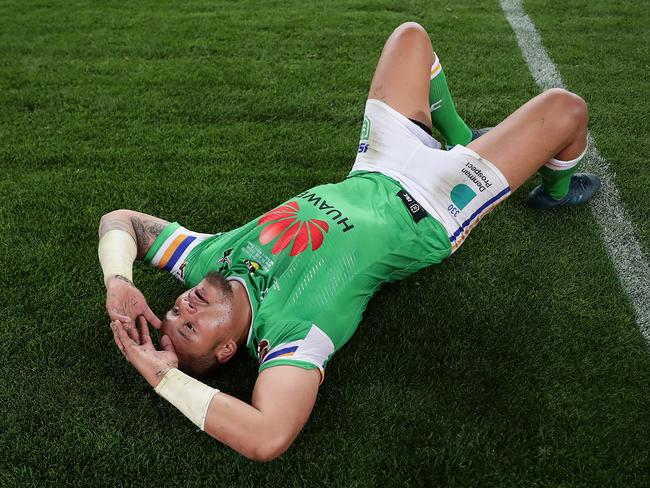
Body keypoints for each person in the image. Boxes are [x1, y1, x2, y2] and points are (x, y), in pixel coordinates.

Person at [99, 22, 600, 461]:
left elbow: (119, 220)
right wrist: (163, 376)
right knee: (567, 110)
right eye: (191, 328)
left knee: (411, 37)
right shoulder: (291, 335)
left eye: (173, 311)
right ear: (229, 349)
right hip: (434, 204)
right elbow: (267, 436)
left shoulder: (206, 260)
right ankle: (556, 195)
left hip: (378, 161)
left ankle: (461, 134)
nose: (183, 306)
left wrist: (119, 282)